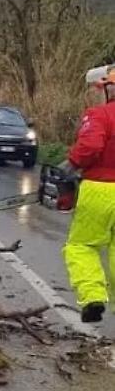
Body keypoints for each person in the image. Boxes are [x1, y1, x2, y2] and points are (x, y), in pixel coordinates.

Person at [63, 68, 115, 323]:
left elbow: (91, 145)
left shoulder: (101, 114)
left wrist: (71, 164)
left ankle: (93, 296)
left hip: (100, 187)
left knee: (81, 246)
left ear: (109, 89)